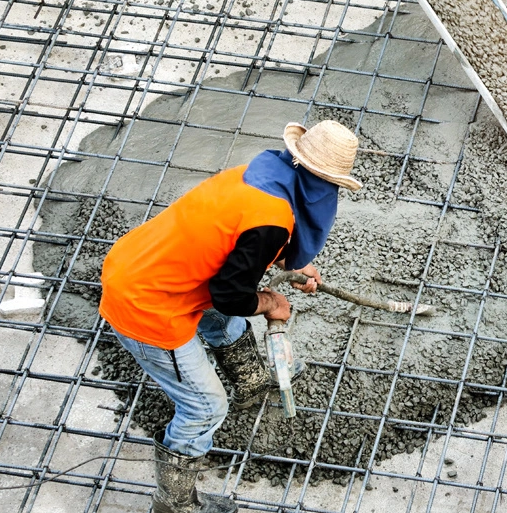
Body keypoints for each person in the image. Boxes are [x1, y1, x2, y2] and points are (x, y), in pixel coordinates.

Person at [98, 120, 361, 513]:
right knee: (206, 407)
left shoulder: (260, 175)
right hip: (146, 303)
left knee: (224, 319)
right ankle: (174, 504)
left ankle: (252, 383)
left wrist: (291, 263)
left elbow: (237, 246)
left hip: (142, 263)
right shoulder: (272, 220)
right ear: (324, 183)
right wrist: (271, 304)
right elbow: (230, 292)